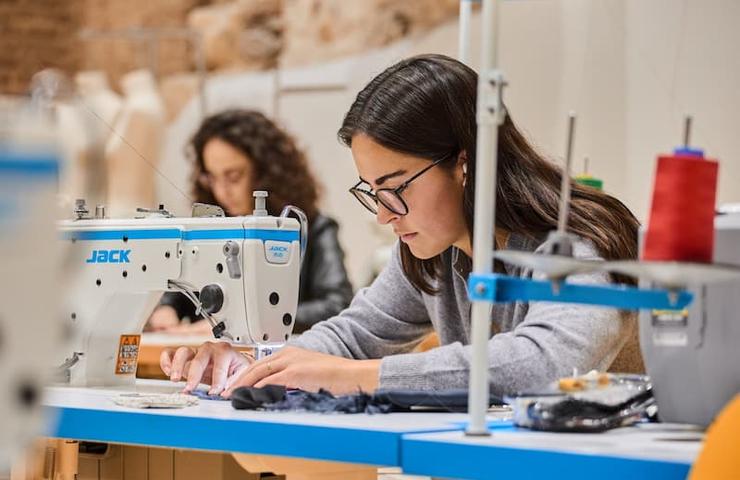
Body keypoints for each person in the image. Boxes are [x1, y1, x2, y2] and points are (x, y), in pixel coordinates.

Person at [160, 54, 644, 398]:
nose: (383, 214)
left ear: (465, 163)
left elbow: (545, 364)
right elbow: (352, 335)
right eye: (372, 190)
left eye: (395, 187)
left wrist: (359, 376)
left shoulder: (582, 240)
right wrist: (251, 363)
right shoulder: (433, 256)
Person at [147, 109, 353, 334]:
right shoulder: (210, 233)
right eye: (212, 178)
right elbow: (180, 291)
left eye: (233, 177)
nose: (221, 191)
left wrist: (241, 322)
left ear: (266, 172)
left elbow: (337, 305)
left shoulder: (314, 229)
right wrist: (166, 309)